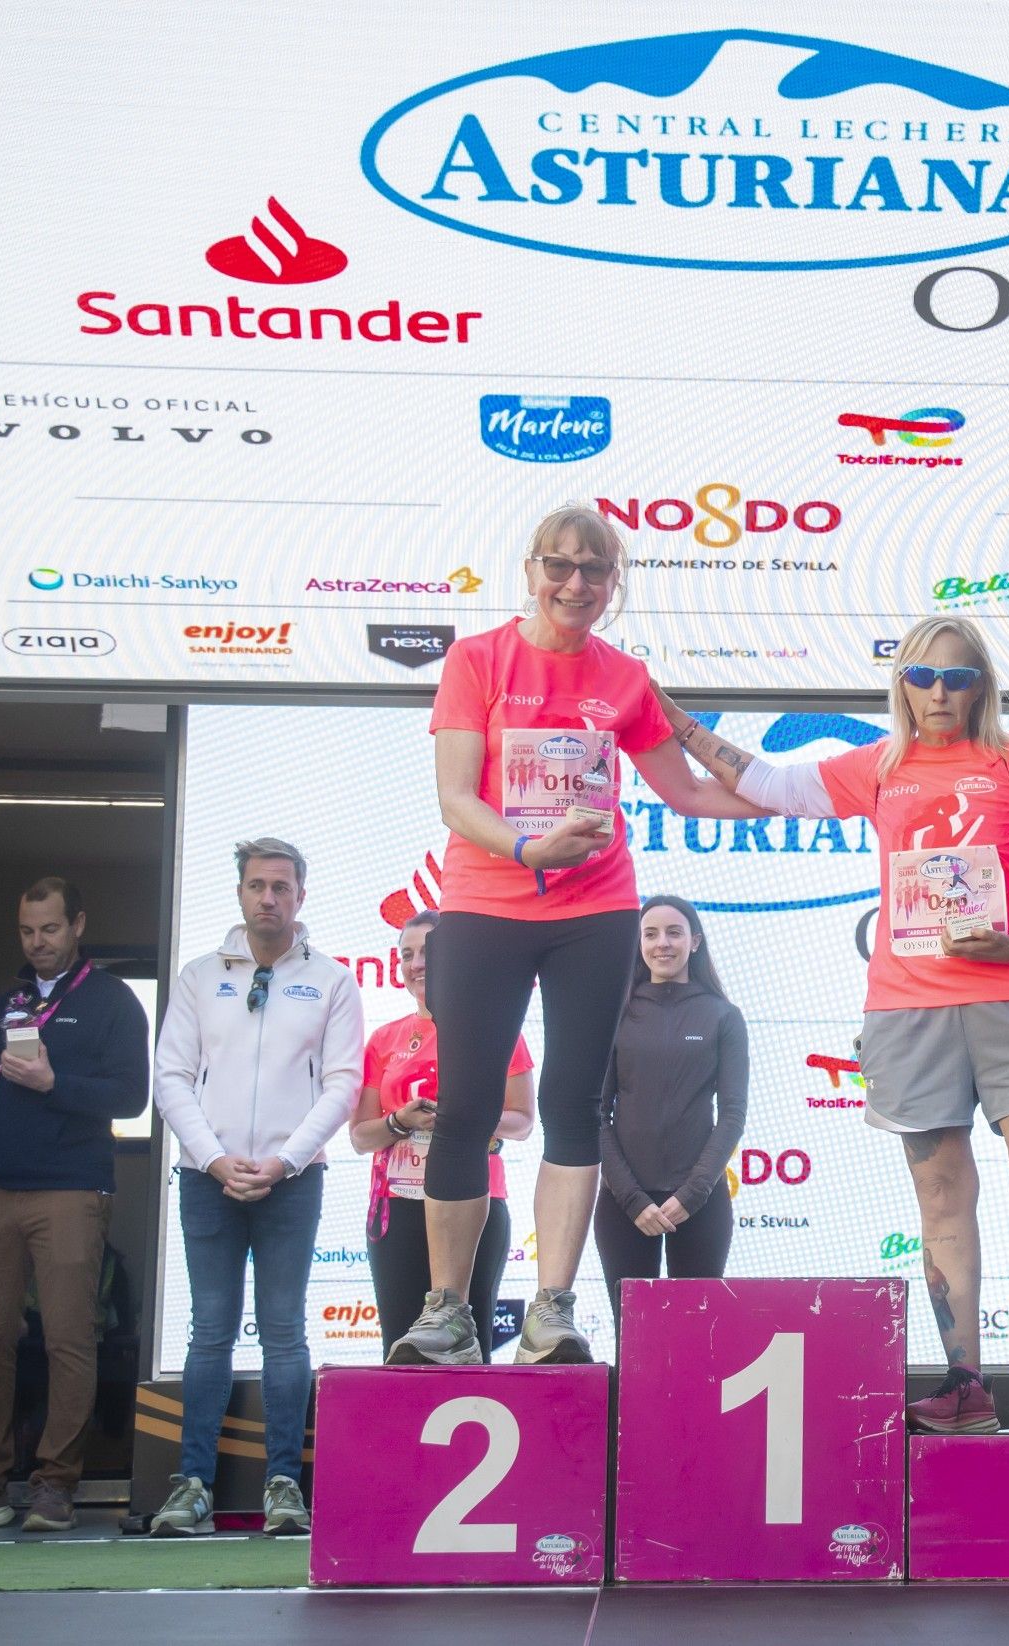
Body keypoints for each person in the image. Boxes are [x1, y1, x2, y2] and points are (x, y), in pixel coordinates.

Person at [660, 615, 1009, 1434]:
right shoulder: (878, 766)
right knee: (942, 1197)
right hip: (909, 1009)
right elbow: (767, 783)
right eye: (921, 678)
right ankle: (964, 1385)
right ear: (901, 685)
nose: (938, 693)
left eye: (956, 677)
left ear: (980, 685)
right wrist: (673, 720)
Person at [386, 503, 769, 1368]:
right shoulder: (476, 660)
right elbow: (456, 799)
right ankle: (448, 1313)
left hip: (595, 912)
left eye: (594, 571)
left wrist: (816, 795)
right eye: (559, 566)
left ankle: (550, 1311)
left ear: (612, 584)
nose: (575, 585)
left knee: (569, 1106)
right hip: (485, 904)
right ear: (530, 571)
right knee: (468, 1109)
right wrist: (528, 848)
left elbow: (690, 792)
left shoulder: (625, 677)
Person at [0, 877, 148, 1535]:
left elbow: (131, 1099)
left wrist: (55, 1082)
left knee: (69, 1339)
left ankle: (54, 1487)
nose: (37, 942)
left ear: (78, 924)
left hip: (70, 1190)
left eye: (49, 929)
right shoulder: (5, 1004)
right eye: (26, 930)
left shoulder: (112, 1001)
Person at [149, 837, 364, 1537]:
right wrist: (212, 1159)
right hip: (206, 1179)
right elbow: (171, 1077)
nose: (267, 897)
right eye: (256, 886)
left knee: (283, 1332)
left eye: (280, 886)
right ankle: (191, 1486)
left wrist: (287, 1160)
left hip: (291, 1180)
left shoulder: (331, 980)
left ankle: (283, 1486)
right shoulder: (198, 976)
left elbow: (343, 1084)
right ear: (239, 893)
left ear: (301, 895)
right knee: (209, 1332)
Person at [349, 910, 539, 1358]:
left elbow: (523, 1121)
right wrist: (400, 1122)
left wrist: (462, 1119)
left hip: (475, 1203)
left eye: (428, 952)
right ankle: (404, 1430)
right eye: (406, 955)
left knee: (471, 1342)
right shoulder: (383, 1039)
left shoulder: (496, 1028)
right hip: (397, 1209)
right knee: (401, 1343)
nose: (417, 964)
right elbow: (360, 1135)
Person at [593, 895, 748, 1319]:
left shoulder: (723, 1016)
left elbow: (733, 1113)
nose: (663, 943)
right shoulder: (614, 1014)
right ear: (638, 943)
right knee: (635, 1340)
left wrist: (692, 1194)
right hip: (624, 1203)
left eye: (674, 932)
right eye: (651, 933)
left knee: (695, 1339)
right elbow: (596, 1113)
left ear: (694, 942)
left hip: (700, 1204)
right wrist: (631, 1199)